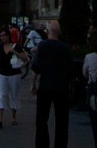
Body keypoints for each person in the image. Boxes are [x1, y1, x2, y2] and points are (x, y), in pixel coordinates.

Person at [30, 20, 73, 148]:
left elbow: (35, 67)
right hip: (61, 88)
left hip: (45, 87)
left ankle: (42, 145)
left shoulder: (42, 45)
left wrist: (32, 84)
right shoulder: (66, 48)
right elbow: (70, 71)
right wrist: (70, 87)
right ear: (59, 32)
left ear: (48, 32)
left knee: (42, 120)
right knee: (62, 122)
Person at [0, 26, 29, 127]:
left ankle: (13, 117)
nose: (1, 37)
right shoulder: (0, 46)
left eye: (3, 35)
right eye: (0, 36)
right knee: (1, 95)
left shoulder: (17, 46)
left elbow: (25, 58)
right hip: (1, 73)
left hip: (14, 74)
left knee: (14, 95)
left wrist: (15, 52)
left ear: (8, 36)